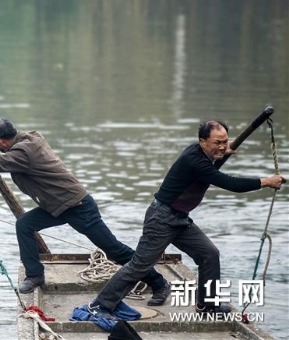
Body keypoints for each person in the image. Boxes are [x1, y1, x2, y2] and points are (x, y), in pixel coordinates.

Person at [0, 118, 171, 305]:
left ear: (2, 141)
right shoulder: (29, 137)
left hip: (78, 207)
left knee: (114, 249)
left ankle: (159, 283)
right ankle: (35, 275)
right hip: (56, 206)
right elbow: (4, 148)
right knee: (25, 225)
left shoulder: (21, 154)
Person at [87, 120, 285, 318]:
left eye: (225, 141)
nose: (223, 146)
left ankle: (207, 306)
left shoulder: (205, 154)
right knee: (140, 265)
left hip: (180, 219)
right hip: (162, 218)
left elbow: (217, 159)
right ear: (202, 141)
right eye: (217, 142)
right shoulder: (195, 160)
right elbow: (230, 183)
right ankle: (100, 305)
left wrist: (222, 150)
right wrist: (266, 181)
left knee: (209, 253)